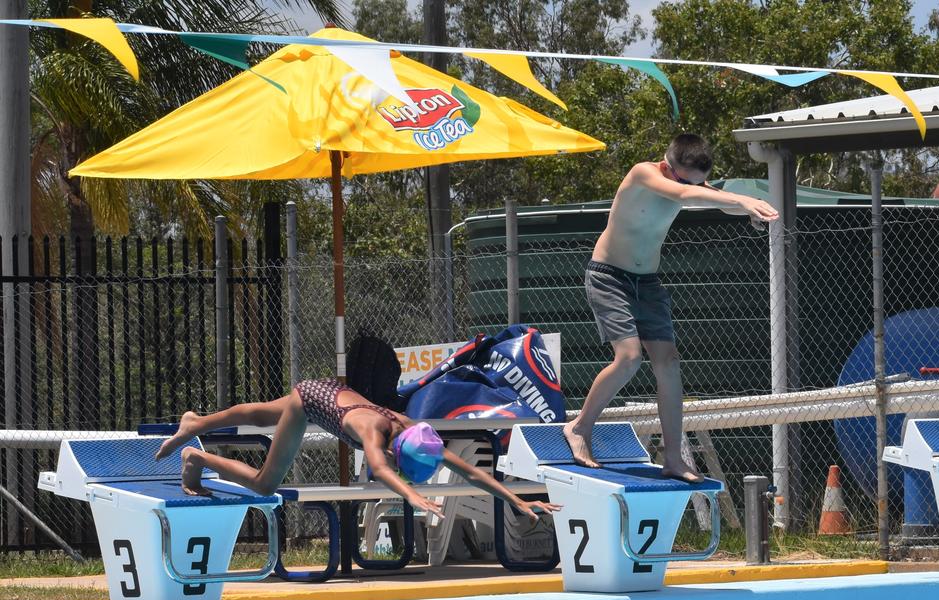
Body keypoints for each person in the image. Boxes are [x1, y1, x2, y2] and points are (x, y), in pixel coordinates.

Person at [562, 133, 780, 481]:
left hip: (646, 282)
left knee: (669, 362)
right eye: (686, 178)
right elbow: (683, 194)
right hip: (608, 277)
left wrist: (744, 208)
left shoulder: (688, 182)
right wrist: (739, 197)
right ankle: (580, 427)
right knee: (629, 358)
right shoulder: (643, 173)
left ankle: (674, 460)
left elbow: (710, 196)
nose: (695, 185)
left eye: (699, 181)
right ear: (668, 166)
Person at [154, 378, 560, 519]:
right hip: (312, 401)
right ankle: (198, 456)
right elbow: (381, 471)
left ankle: (197, 422)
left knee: (262, 415)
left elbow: (471, 470)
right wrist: (413, 495)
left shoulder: (416, 430)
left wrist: (516, 501)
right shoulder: (374, 432)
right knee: (265, 484)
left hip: (328, 389)